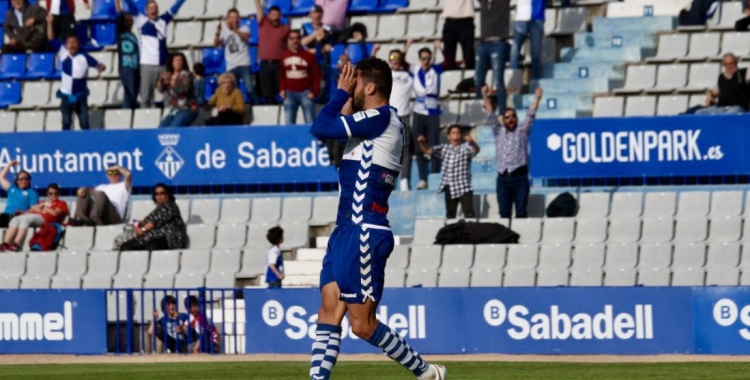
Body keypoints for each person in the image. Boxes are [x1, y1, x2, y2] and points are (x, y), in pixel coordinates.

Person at [308, 58, 447, 380]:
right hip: (346, 229)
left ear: (369, 88)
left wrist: (340, 94)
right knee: (329, 308)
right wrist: (344, 96)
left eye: (355, 83)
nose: (350, 88)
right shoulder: (373, 124)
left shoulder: (382, 117)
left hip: (364, 231)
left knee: (362, 324)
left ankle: (427, 373)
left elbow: (321, 127)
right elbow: (338, 127)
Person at [482, 85, 542, 219]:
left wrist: (537, 97)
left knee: (521, 211)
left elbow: (531, 114)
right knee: (504, 213)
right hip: (503, 178)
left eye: (513, 116)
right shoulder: (498, 131)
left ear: (516, 119)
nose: (510, 119)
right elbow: (490, 113)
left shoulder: (523, 131)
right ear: (503, 120)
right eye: (507, 117)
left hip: (520, 177)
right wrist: (485, 95)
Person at [123, 0, 187, 108]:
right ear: (146, 11)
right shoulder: (141, 20)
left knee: (168, 94)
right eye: (151, 8)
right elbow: (131, 6)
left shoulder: (163, 20)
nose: (154, 10)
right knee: (146, 96)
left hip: (163, 65)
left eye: (156, 8)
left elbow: (174, 8)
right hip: (147, 65)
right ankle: (145, 119)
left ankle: (168, 119)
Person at [48, 14, 106, 131]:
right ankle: (65, 145)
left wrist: (101, 67)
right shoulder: (63, 53)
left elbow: (99, 65)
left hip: (81, 96)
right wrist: (49, 23)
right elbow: (51, 39)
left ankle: (85, 146)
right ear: (66, 44)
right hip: (66, 95)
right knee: (66, 121)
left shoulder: (84, 57)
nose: (72, 45)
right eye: (69, 43)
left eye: (74, 42)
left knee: (84, 122)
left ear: (78, 44)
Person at [372, 44, 413, 191]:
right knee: (385, 149)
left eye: (398, 57)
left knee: (404, 151)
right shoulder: (385, 74)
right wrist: (375, 51)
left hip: (404, 116)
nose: (395, 60)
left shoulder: (408, 75)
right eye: (392, 57)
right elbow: (371, 68)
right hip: (388, 116)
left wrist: (406, 49)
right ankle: (386, 181)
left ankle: (405, 180)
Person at [417, 126, 479, 219]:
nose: (456, 135)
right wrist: (421, 142)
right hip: (449, 186)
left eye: (458, 133)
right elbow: (428, 151)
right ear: (448, 136)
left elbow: (476, 150)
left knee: (469, 215)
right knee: (450, 216)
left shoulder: (465, 147)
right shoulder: (444, 148)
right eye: (453, 133)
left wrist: (472, 142)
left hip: (464, 186)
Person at [407, 40, 445, 190]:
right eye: (423, 58)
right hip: (418, 111)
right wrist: (408, 45)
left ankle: (435, 176)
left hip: (433, 111)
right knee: (418, 145)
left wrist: (439, 48)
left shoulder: (435, 69)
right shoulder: (415, 69)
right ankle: (423, 178)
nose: (425, 61)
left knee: (434, 145)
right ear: (419, 59)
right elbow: (401, 62)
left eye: (428, 58)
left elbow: (448, 62)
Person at [0, 184, 68, 252]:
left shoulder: (61, 203)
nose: (53, 195)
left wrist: (44, 207)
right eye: (51, 193)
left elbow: (55, 213)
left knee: (25, 220)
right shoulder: (42, 202)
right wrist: (25, 211)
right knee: (16, 219)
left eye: (56, 193)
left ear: (59, 193)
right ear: (47, 194)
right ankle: (5, 244)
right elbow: (30, 211)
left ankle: (17, 244)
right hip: (34, 217)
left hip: (46, 219)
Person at [119, 184, 187, 251]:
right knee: (126, 247)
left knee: (151, 247)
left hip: (169, 239)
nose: (159, 196)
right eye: (156, 194)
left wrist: (142, 230)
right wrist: (136, 225)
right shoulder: (157, 210)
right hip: (152, 238)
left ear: (168, 194)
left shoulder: (171, 206)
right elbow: (144, 221)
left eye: (162, 193)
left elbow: (155, 222)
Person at [214, 8, 259, 104]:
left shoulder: (244, 28)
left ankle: (257, 106)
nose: (234, 19)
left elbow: (246, 37)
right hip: (231, 65)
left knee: (250, 88)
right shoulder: (224, 32)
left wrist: (233, 29)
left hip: (244, 63)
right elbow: (216, 44)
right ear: (227, 19)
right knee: (234, 91)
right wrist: (217, 33)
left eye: (236, 17)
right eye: (231, 17)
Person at [475, 0, 511, 115]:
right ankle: (483, 108)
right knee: (478, 78)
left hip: (499, 43)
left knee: (498, 80)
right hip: (483, 44)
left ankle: (502, 112)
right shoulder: (483, 2)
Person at [280, 30, 321, 124]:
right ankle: (289, 139)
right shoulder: (284, 56)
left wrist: (315, 92)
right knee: (289, 122)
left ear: (301, 39)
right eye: (292, 38)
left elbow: (316, 76)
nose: (295, 41)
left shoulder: (309, 56)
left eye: (297, 38)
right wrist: (282, 89)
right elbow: (282, 75)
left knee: (310, 121)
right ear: (288, 40)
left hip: (306, 93)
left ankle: (312, 139)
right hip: (289, 93)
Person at [254, 0, 291, 104]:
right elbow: (258, 8)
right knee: (267, 91)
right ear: (269, 15)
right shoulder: (263, 22)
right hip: (265, 63)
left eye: (277, 14)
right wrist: (257, 2)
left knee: (280, 89)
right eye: (273, 14)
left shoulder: (285, 28)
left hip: (279, 63)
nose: (275, 16)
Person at [158, 53, 199, 127]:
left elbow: (184, 90)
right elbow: (160, 89)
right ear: (172, 62)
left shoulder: (187, 74)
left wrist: (171, 82)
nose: (178, 62)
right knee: (161, 128)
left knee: (174, 127)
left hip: (188, 108)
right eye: (176, 60)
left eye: (181, 60)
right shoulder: (169, 74)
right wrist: (161, 80)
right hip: (175, 109)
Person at [301, 5, 333, 101]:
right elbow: (302, 42)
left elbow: (328, 47)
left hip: (322, 61)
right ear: (311, 14)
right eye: (315, 12)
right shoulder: (305, 27)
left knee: (322, 83)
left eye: (319, 12)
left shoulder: (327, 29)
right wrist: (316, 33)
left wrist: (315, 50)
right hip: (308, 61)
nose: (317, 15)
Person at [510, 0, 545, 79]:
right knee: (514, 52)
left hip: (537, 18)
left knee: (535, 54)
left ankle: (536, 82)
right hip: (521, 19)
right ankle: (513, 80)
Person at [115, 0, 140, 109]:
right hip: (126, 67)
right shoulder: (121, 33)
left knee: (133, 94)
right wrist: (118, 4)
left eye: (130, 18)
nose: (129, 20)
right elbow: (119, 18)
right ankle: (126, 114)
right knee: (130, 94)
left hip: (136, 68)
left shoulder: (134, 36)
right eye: (127, 19)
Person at [0, 162, 39, 228]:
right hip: (6, 215)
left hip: (19, 217)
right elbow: (1, 177)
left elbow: (34, 209)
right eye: (21, 178)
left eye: (26, 178)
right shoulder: (12, 188)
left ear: (29, 181)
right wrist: (9, 165)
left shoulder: (33, 193)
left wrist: (23, 212)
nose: (23, 180)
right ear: (17, 180)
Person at [440, 0, 475, 70]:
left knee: (469, 57)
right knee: (448, 59)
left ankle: (471, 78)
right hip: (450, 20)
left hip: (466, 19)